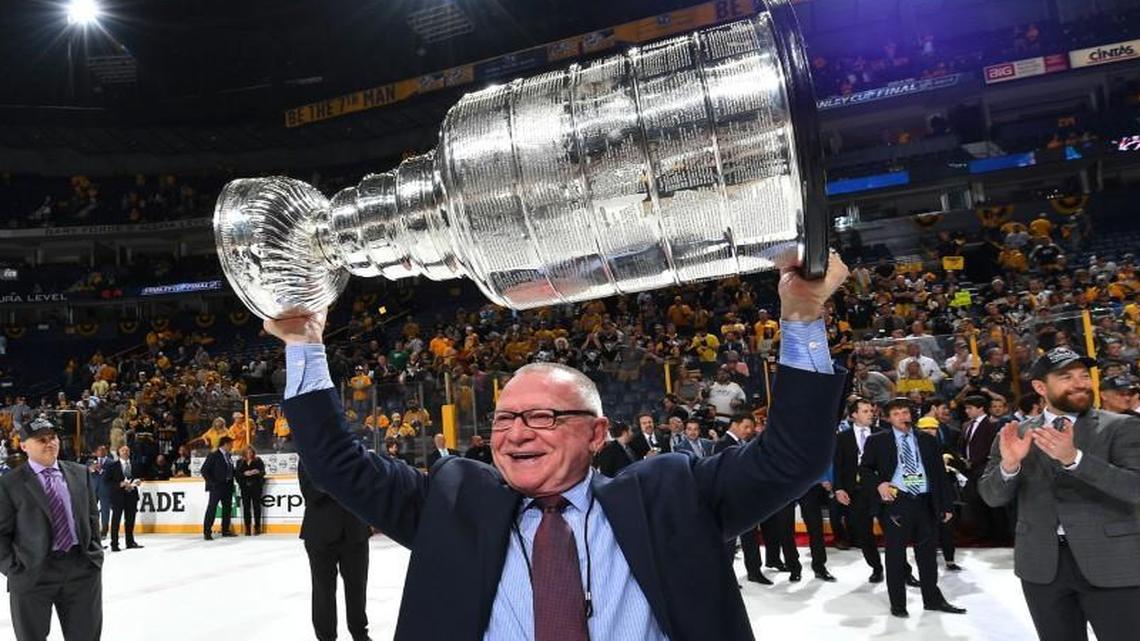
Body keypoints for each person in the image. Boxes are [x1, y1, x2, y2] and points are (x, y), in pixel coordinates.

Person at [265, 254, 849, 639]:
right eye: (504, 419)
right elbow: (336, 461)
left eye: (541, 416)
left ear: (596, 434)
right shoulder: (451, 499)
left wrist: (801, 316)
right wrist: (304, 345)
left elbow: (792, 455)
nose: (516, 433)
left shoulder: (674, 493)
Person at [980, 347, 1140, 641]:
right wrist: (1009, 465)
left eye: (1083, 375)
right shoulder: (1015, 433)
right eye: (1066, 377)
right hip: (1042, 566)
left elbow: (1135, 488)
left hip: (1111, 562)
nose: (1080, 383)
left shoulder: (1123, 427)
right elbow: (992, 496)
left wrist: (1075, 459)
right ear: (1040, 387)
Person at [859, 398, 965, 618]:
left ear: (912, 414)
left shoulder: (927, 440)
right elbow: (866, 470)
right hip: (897, 503)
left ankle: (932, 599)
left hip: (925, 502)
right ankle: (898, 604)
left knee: (927, 555)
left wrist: (946, 504)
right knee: (896, 557)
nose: (901, 417)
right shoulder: (877, 440)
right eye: (896, 413)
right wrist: (879, 484)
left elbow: (939, 475)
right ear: (888, 418)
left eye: (905, 412)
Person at [0, 417, 103, 641]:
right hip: (32, 572)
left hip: (81, 568)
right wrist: (13, 568)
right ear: (24, 446)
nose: (50, 443)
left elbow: (92, 517)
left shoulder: (80, 473)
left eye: (53, 437)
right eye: (41, 439)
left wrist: (94, 554)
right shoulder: (9, 484)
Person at [299, 462, 372, 641]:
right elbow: (311, 492)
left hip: (355, 532)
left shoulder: (353, 454)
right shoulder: (309, 456)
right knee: (323, 591)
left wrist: (334, 482)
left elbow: (365, 487)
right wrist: (342, 481)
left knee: (357, 587)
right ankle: (326, 637)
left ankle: (360, 633)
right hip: (320, 534)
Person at [833, 397, 885, 581]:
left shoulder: (882, 434)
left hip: (881, 490)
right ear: (854, 414)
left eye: (871, 411)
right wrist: (838, 488)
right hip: (855, 492)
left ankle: (904, 570)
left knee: (893, 532)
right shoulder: (842, 438)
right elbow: (837, 465)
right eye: (865, 411)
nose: (870, 414)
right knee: (864, 533)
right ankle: (876, 567)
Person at [714, 415, 769, 585]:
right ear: (734, 425)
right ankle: (727, 577)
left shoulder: (743, 443)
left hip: (746, 498)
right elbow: (722, 473)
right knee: (729, 542)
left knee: (750, 537)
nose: (749, 430)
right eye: (745, 427)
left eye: (750, 427)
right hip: (731, 499)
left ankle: (754, 571)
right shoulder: (722, 444)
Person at [103, 444, 143, 552]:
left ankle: (130, 542)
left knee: (130, 520)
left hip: (132, 495)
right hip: (118, 496)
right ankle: (114, 544)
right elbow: (107, 481)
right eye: (123, 450)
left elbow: (138, 476)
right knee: (116, 520)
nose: (125, 452)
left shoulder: (135, 464)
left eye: (127, 450)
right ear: (118, 452)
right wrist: (119, 484)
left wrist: (137, 481)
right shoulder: (112, 466)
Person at [201, 436, 236, 540]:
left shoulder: (228, 456)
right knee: (212, 508)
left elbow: (230, 470)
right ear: (225, 444)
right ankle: (207, 532)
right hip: (216, 487)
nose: (232, 446)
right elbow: (204, 470)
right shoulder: (214, 455)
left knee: (227, 509)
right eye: (231, 444)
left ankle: (225, 530)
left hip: (227, 486)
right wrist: (213, 483)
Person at [235, 446, 266, 535]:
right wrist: (244, 474)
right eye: (247, 452)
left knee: (256, 507)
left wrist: (257, 472)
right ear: (244, 453)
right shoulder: (240, 462)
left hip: (256, 486)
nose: (249, 454)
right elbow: (237, 474)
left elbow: (263, 472)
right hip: (245, 487)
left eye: (251, 452)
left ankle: (257, 527)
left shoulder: (258, 460)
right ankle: (247, 528)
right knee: (246, 508)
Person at [87, 445, 112, 539]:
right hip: (93, 489)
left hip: (105, 490)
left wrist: (102, 470)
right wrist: (92, 468)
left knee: (105, 511)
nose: (101, 451)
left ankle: (104, 531)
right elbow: (85, 472)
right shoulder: (90, 462)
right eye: (99, 450)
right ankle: (92, 530)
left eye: (103, 450)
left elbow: (113, 476)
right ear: (96, 452)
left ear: (106, 451)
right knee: (91, 510)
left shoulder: (111, 462)